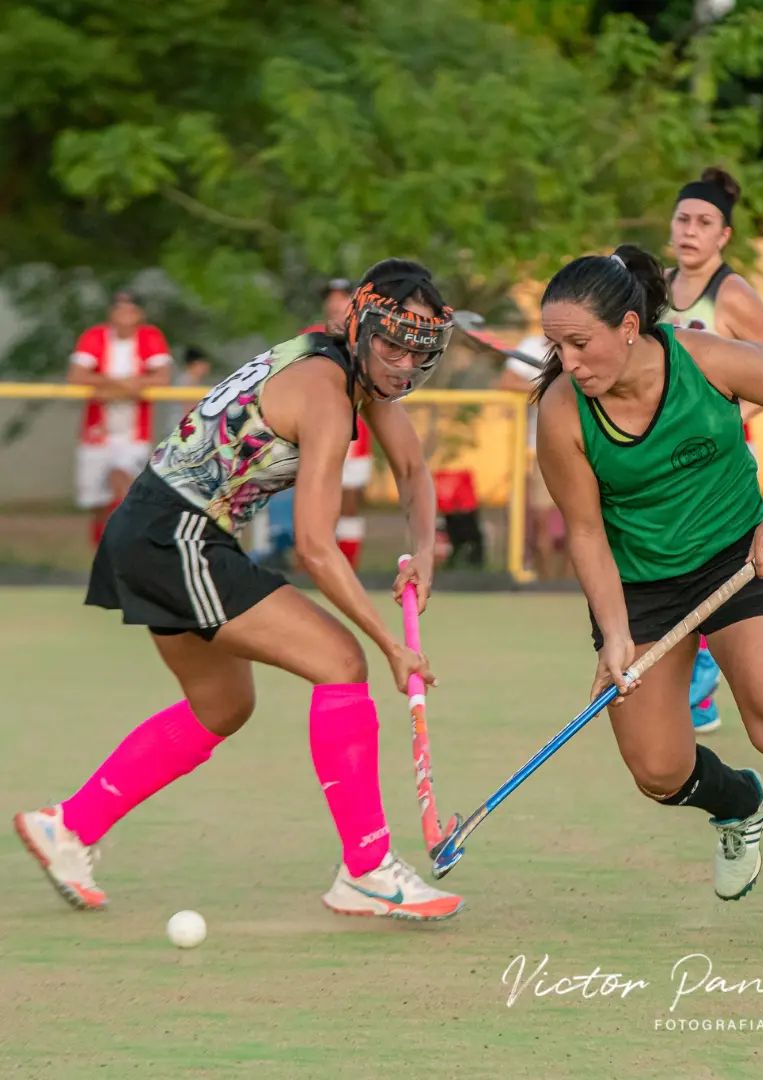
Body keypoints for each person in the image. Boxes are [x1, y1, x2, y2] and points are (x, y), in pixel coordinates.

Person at [14, 260, 464, 922]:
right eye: (392, 345)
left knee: (221, 703)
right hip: (178, 535)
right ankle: (367, 868)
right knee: (342, 661)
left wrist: (424, 552)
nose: (401, 363)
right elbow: (314, 546)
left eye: (416, 351)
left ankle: (70, 825)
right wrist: (390, 644)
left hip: (151, 528)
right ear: (362, 326)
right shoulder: (328, 398)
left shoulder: (340, 360)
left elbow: (413, 470)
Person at [533, 245, 763, 950]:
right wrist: (614, 635)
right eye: (557, 346)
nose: (568, 362)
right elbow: (584, 533)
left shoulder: (707, 360)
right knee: (658, 769)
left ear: (631, 326)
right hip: (640, 586)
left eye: (579, 344)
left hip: (736, 558)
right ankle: (741, 804)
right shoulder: (560, 413)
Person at [663, 165, 763, 731]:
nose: (690, 230)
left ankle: (708, 685)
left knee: (714, 572)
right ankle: (687, 686)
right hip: (665, 465)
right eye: (682, 219)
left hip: (721, 466)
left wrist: (722, 418)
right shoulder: (657, 289)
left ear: (724, 236)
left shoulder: (733, 295)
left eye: (705, 222)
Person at [68, 289, 173, 546]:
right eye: (119, 308)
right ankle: (102, 554)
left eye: (130, 309)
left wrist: (108, 386)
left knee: (124, 487)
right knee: (97, 503)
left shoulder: (149, 337)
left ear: (140, 313)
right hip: (97, 433)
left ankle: (124, 552)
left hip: (133, 433)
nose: (124, 314)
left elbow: (161, 378)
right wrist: (126, 384)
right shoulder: (95, 336)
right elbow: (77, 376)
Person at [302, 278, 373, 570]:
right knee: (313, 503)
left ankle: (348, 565)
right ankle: (312, 566)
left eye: (343, 296)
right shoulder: (308, 336)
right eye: (331, 297)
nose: (335, 302)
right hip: (314, 433)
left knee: (349, 503)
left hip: (354, 436)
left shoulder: (369, 337)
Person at [497, 333, 567, 579]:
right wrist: (550, 386)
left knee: (582, 525)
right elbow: (507, 381)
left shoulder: (590, 345)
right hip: (543, 448)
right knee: (541, 523)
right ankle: (546, 584)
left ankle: (572, 587)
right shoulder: (532, 346)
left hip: (588, 447)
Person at [163, 346, 213, 434]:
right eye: (204, 363)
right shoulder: (187, 381)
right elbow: (188, 408)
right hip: (182, 428)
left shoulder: (190, 380)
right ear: (195, 364)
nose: (207, 367)